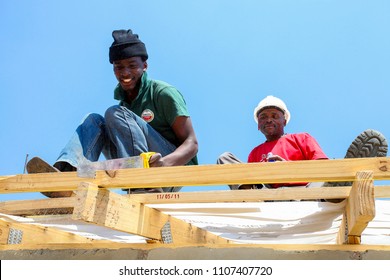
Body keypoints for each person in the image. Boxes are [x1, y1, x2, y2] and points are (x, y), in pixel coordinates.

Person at [27, 29, 198, 197]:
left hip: (172, 171)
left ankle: (142, 184)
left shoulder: (162, 93)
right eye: (119, 67)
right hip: (140, 168)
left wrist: (163, 164)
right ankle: (67, 173)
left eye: (132, 66)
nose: (125, 73)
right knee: (94, 120)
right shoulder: (125, 106)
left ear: (144, 66)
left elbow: (192, 144)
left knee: (114, 113)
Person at [217, 95, 388, 192]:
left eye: (274, 115)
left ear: (285, 121)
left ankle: (336, 189)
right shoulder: (255, 152)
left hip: (305, 189)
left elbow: (322, 167)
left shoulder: (301, 138)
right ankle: (249, 196)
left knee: (326, 178)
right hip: (268, 194)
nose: (269, 119)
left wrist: (289, 169)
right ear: (258, 125)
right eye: (263, 117)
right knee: (225, 158)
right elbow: (251, 180)